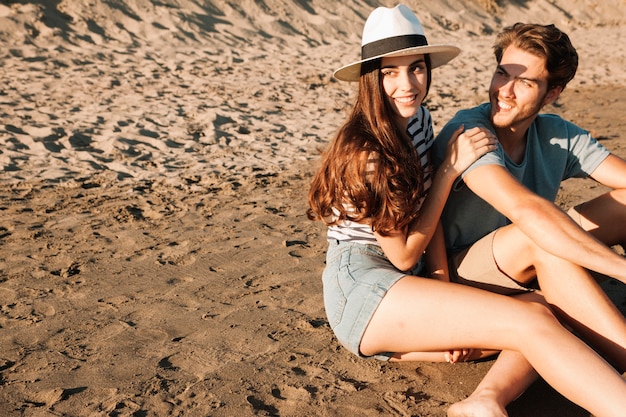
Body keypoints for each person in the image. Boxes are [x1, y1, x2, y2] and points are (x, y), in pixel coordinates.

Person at [307, 6, 626, 417]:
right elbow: (401, 254)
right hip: (367, 282)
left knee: (541, 310)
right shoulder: (368, 151)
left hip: (415, 275)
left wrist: (442, 284)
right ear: (372, 78)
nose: (406, 85)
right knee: (530, 321)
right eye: (389, 73)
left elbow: (429, 218)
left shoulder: (418, 120)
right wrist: (447, 173)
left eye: (416, 69)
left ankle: (481, 404)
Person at [432, 22, 626, 415]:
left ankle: (485, 400)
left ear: (552, 92)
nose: (503, 90)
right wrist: (619, 268)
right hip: (454, 275)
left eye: (524, 82)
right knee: (537, 235)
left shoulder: (555, 133)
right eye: (502, 73)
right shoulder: (470, 131)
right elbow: (524, 208)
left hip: (522, 259)